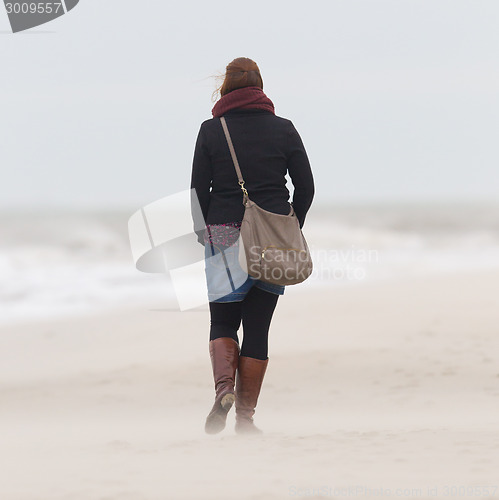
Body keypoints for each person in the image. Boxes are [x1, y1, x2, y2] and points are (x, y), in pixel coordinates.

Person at [190, 57, 314, 435]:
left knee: (223, 321)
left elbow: (198, 190)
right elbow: (306, 187)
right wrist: (289, 225)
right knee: (258, 327)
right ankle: (245, 419)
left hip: (224, 231)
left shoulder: (212, 130)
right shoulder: (284, 129)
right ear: (260, 87)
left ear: (225, 87)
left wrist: (206, 234)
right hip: (273, 237)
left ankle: (223, 389)